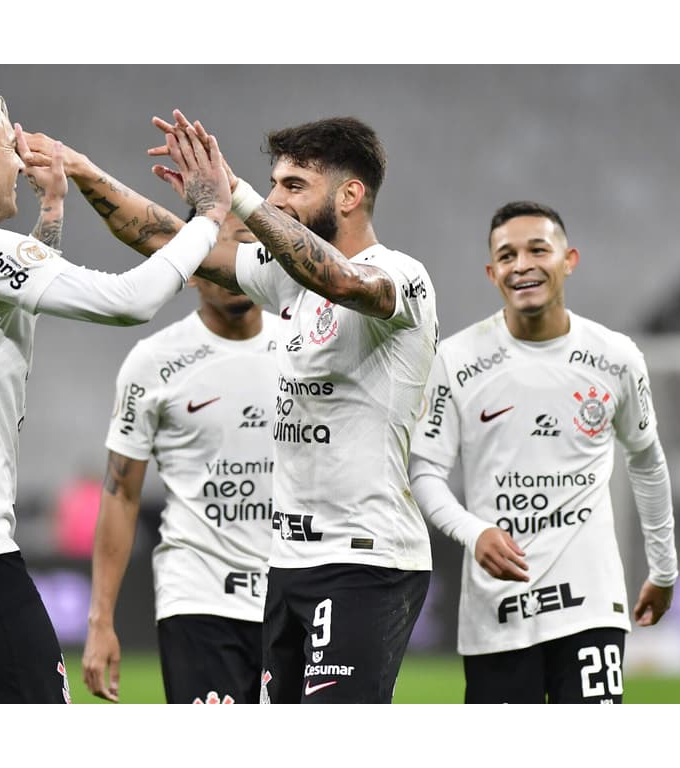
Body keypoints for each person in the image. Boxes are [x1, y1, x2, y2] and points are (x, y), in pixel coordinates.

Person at [0, 78, 230, 704]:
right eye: (9, 147)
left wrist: (53, 212)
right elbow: (132, 300)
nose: (17, 163)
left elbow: (9, 315)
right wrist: (210, 218)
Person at [149, 112, 439, 704]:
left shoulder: (401, 277)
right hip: (288, 564)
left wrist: (241, 196)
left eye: (293, 185)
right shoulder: (289, 284)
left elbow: (340, 280)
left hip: (365, 559)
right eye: (273, 183)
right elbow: (165, 244)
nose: (276, 198)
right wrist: (81, 175)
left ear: (350, 195)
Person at [409, 200, 678, 703]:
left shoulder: (615, 357)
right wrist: (475, 532)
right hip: (497, 613)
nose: (523, 265)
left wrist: (663, 570)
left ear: (568, 259)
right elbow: (424, 472)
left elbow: (647, 462)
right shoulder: (458, 360)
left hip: (591, 604)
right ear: (493, 273)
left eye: (538, 249)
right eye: (507, 256)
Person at [82, 209, 280, 704]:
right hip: (198, 597)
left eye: (249, 249)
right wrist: (101, 619)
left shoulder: (304, 349)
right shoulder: (154, 363)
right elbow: (121, 494)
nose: (235, 266)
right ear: (191, 267)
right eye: (219, 251)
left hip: (293, 596)